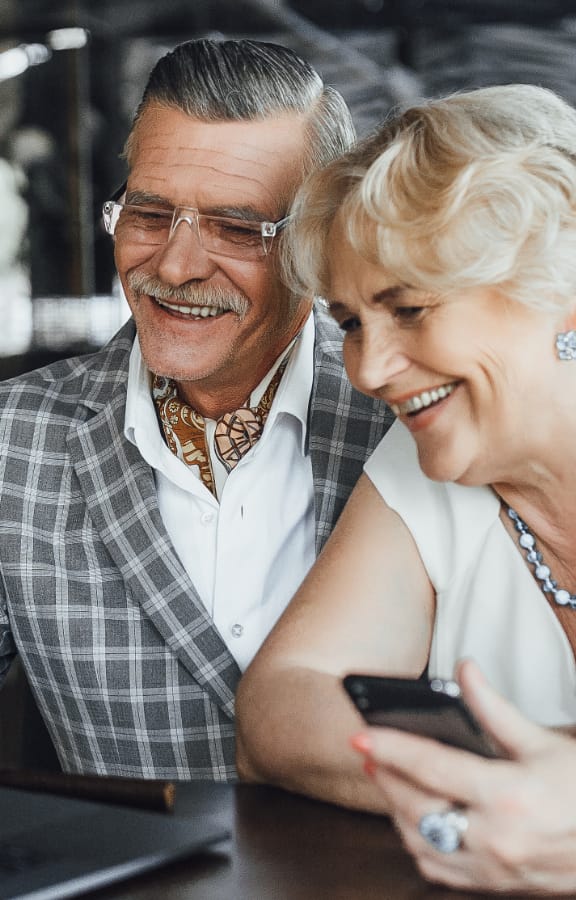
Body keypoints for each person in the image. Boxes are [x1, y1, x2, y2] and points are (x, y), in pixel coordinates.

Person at [0, 38, 393, 780]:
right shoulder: (13, 441)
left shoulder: (407, 422)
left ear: (318, 239)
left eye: (239, 227)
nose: (175, 267)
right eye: (149, 214)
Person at [236, 83, 576, 893]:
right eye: (351, 322)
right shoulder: (427, 458)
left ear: (560, 292)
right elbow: (278, 713)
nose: (367, 369)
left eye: (411, 309)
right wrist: (523, 786)